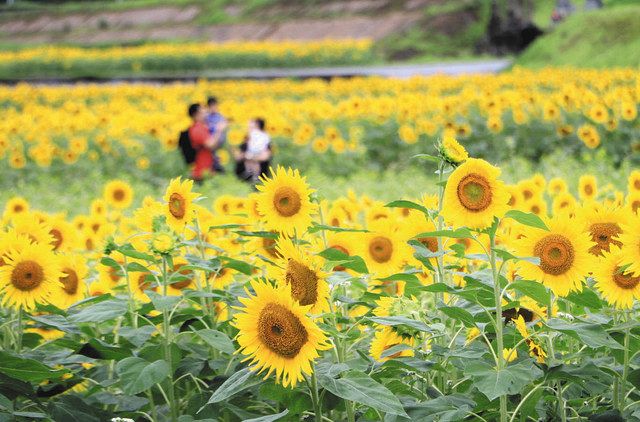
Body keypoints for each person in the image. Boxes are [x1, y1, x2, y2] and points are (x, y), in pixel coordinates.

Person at [188, 103, 226, 182]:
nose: (206, 111)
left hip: (208, 169)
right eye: (203, 110)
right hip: (203, 170)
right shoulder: (197, 129)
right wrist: (219, 130)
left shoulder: (203, 126)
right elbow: (210, 145)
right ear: (196, 114)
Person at [234, 118, 272, 183]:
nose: (248, 129)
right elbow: (238, 156)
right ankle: (250, 174)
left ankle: (255, 177)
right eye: (249, 127)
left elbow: (265, 156)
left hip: (261, 174)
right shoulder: (246, 141)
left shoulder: (263, 138)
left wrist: (250, 156)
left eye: (251, 127)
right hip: (243, 177)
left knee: (254, 165)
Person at [205, 96, 227, 173]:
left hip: (218, 142)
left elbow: (223, 128)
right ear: (208, 107)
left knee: (217, 156)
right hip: (209, 141)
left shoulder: (220, 117)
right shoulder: (206, 117)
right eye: (211, 106)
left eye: (215, 106)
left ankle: (217, 169)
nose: (213, 108)